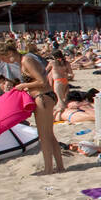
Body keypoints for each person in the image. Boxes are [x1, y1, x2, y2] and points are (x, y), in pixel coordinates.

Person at [18, 42, 66, 175]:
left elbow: (41, 81)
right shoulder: (34, 60)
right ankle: (60, 167)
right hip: (46, 95)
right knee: (49, 135)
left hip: (42, 96)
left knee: (44, 136)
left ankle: (49, 169)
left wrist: (23, 86)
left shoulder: (26, 60)